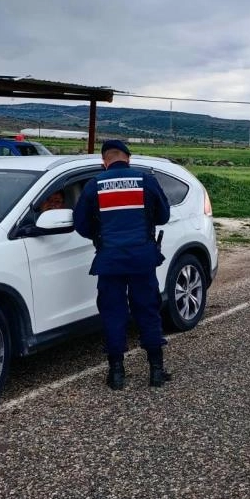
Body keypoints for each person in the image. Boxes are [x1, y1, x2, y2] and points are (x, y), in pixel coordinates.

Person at [73, 139, 172, 390]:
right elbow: (163, 216)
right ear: (128, 158)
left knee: (113, 314)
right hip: (142, 259)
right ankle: (156, 372)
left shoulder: (94, 185)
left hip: (110, 260)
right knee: (148, 311)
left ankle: (116, 374)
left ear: (104, 161)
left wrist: (101, 234)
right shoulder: (145, 180)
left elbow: (81, 225)